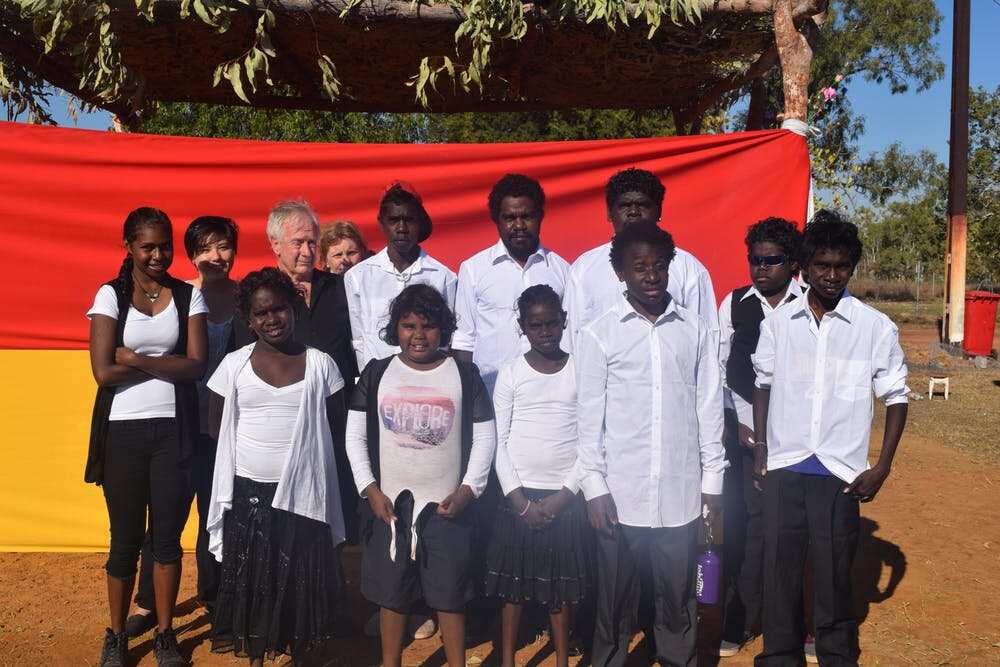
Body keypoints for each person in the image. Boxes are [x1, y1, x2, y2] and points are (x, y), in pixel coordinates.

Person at [751, 211, 909, 667]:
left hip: (840, 475)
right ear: (805, 265)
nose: (831, 275)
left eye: (841, 266)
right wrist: (761, 449)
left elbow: (896, 396)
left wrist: (882, 466)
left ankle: (836, 655)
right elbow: (763, 385)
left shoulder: (873, 327)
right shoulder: (779, 323)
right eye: (822, 265)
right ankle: (779, 656)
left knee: (834, 575)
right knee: (779, 574)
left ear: (852, 267)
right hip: (784, 467)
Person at [576, 223, 727, 667]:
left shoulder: (695, 330)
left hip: (680, 497)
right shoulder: (600, 333)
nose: (651, 275)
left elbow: (709, 409)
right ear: (620, 272)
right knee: (614, 605)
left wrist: (712, 486)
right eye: (639, 267)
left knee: (678, 602)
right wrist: (594, 487)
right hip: (620, 499)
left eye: (659, 266)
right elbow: (589, 420)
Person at [345, 284, 497, 667]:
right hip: (391, 507)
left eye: (428, 326)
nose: (418, 335)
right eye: (408, 325)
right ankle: (390, 662)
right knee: (391, 593)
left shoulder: (462, 374)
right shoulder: (378, 374)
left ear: (443, 329)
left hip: (448, 508)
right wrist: (370, 489)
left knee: (450, 593)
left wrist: (468, 490)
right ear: (394, 329)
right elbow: (354, 435)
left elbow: (484, 435)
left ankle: (457, 662)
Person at [205, 267, 348, 665]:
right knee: (255, 580)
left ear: (294, 309)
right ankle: (257, 656)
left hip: (305, 496)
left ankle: (300, 653)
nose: (272, 319)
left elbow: (335, 428)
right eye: (261, 314)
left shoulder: (322, 364)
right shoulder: (232, 366)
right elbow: (218, 426)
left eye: (279, 310)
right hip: (251, 493)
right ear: (248, 320)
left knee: (300, 580)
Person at [87, 207, 208, 667]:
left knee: (167, 539)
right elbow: (102, 372)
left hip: (174, 431)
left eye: (165, 245)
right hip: (122, 432)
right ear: (129, 247)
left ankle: (164, 634)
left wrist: (134, 359)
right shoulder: (110, 294)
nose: (158, 254)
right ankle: (116, 636)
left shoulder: (185, 295)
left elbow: (196, 365)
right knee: (124, 539)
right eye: (148, 246)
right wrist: (163, 365)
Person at [126, 216, 242, 637]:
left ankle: (215, 598)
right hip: (177, 424)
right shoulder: (176, 298)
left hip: (227, 429)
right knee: (165, 515)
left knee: (219, 515)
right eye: (206, 248)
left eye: (224, 246)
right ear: (192, 254)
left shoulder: (249, 298)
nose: (216, 256)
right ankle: (147, 602)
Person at [484, 284, 588, 667]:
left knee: (559, 590)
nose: (545, 332)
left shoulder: (581, 370)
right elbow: (500, 441)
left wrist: (565, 496)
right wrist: (520, 501)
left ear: (564, 322)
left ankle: (561, 659)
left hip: (563, 496)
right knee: (513, 589)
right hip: (519, 496)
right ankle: (508, 659)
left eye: (551, 324)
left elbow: (589, 438)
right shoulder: (512, 373)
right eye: (535, 325)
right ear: (522, 327)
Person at [715, 217, 803, 657]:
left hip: (796, 441)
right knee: (745, 530)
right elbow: (717, 370)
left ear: (793, 263)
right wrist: (738, 426)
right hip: (743, 437)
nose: (762, 268)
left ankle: (796, 623)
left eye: (773, 260)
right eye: (756, 259)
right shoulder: (733, 305)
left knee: (794, 530)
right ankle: (740, 618)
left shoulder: (811, 305)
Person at [266, 199, 359, 541]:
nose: (307, 251)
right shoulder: (262, 293)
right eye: (297, 242)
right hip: (281, 424)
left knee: (337, 516)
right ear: (274, 244)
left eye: (311, 242)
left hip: (337, 419)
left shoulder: (340, 289)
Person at [564, 167, 718, 351]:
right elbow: (572, 339)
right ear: (609, 213)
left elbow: (707, 338)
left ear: (659, 210)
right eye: (624, 206)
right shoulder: (584, 269)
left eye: (643, 205)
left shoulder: (688, 268)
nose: (634, 212)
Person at [452, 173, 571, 394]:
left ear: (541, 216)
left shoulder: (562, 270)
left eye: (527, 216)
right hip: (490, 392)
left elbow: (571, 336)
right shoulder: (474, 269)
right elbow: (464, 339)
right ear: (496, 220)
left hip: (551, 393)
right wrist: (468, 394)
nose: (519, 225)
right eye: (509, 218)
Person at [346, 183, 458, 371]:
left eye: (409, 220)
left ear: (420, 222)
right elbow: (358, 339)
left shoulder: (443, 277)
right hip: (378, 380)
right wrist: (367, 379)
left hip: (428, 377)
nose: (401, 228)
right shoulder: (358, 277)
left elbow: (448, 338)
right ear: (381, 222)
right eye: (394, 220)